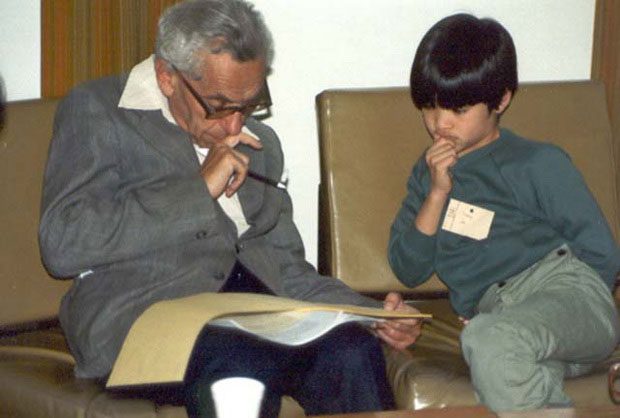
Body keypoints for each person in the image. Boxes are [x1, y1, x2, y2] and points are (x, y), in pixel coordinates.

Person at [39, 0, 421, 416]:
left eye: (251, 104)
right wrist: (199, 188)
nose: (237, 126)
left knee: (351, 351)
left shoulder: (262, 145)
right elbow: (62, 241)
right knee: (240, 366)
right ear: (168, 76)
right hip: (144, 315)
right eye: (220, 107)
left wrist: (368, 315)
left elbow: (286, 269)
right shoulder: (99, 111)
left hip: (254, 315)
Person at [388, 13, 620, 412]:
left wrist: (540, 317)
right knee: (500, 358)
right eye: (429, 108)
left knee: (488, 340)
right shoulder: (426, 173)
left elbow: (600, 250)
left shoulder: (536, 162)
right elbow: (408, 268)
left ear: (501, 99)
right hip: (505, 324)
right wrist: (436, 194)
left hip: (568, 294)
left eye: (458, 110)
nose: (439, 124)